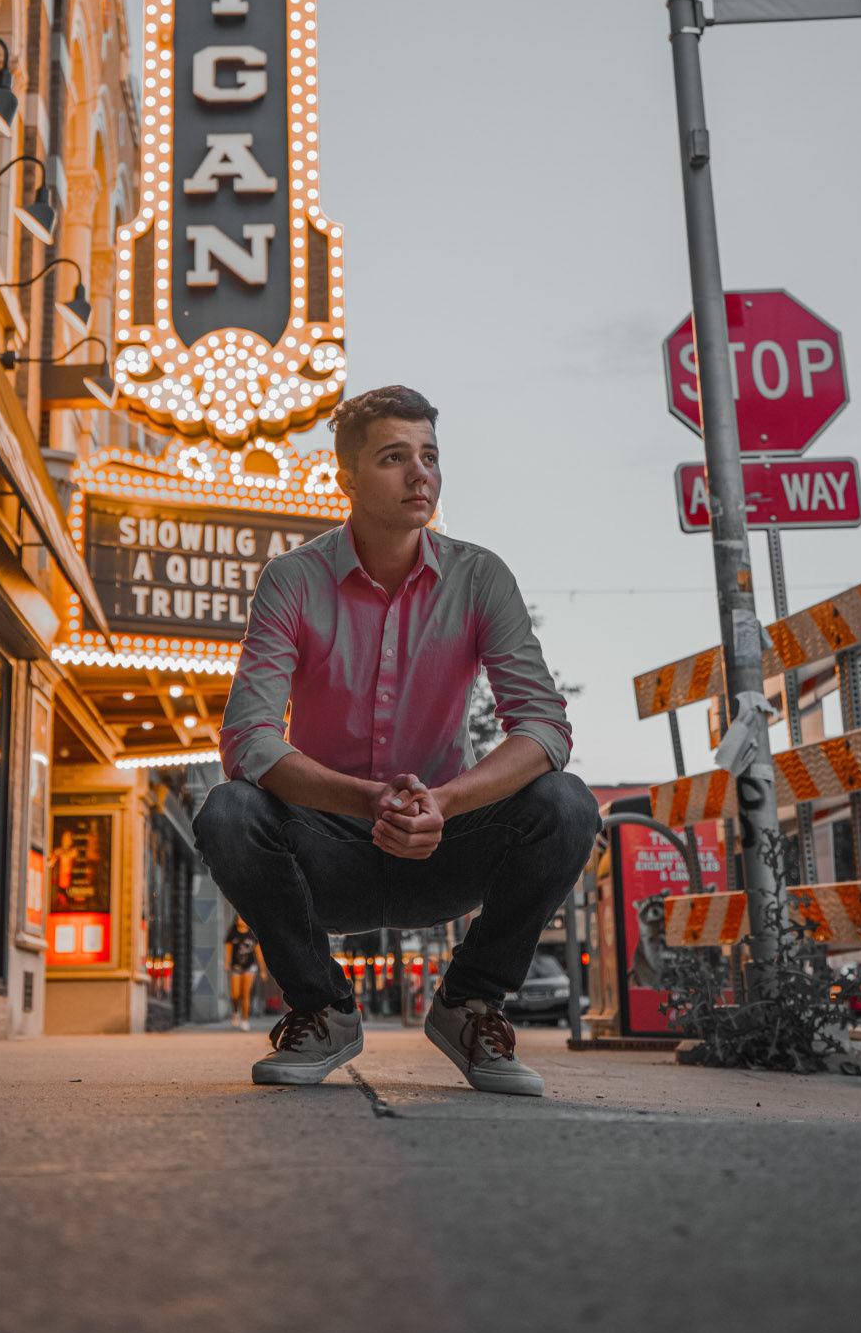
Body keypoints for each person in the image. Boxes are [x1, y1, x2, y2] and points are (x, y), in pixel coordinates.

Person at [194, 385, 600, 1097]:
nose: (421, 475)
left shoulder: (480, 577)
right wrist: (366, 799)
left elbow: (544, 726)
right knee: (227, 811)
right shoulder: (292, 580)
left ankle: (470, 1003)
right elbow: (249, 739)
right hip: (322, 851)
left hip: (442, 845)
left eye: (430, 457)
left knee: (566, 803)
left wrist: (444, 801)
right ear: (346, 478)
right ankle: (321, 1009)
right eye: (393, 458)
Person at [224, 914, 262, 1030]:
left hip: (250, 967)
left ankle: (245, 1020)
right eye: (239, 918)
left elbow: (258, 952)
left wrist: (263, 970)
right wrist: (227, 964)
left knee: (245, 993)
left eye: (243, 917)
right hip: (236, 967)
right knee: (235, 994)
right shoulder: (232, 934)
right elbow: (228, 950)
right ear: (236, 920)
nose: (242, 920)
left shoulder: (252, 934)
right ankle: (235, 1011)